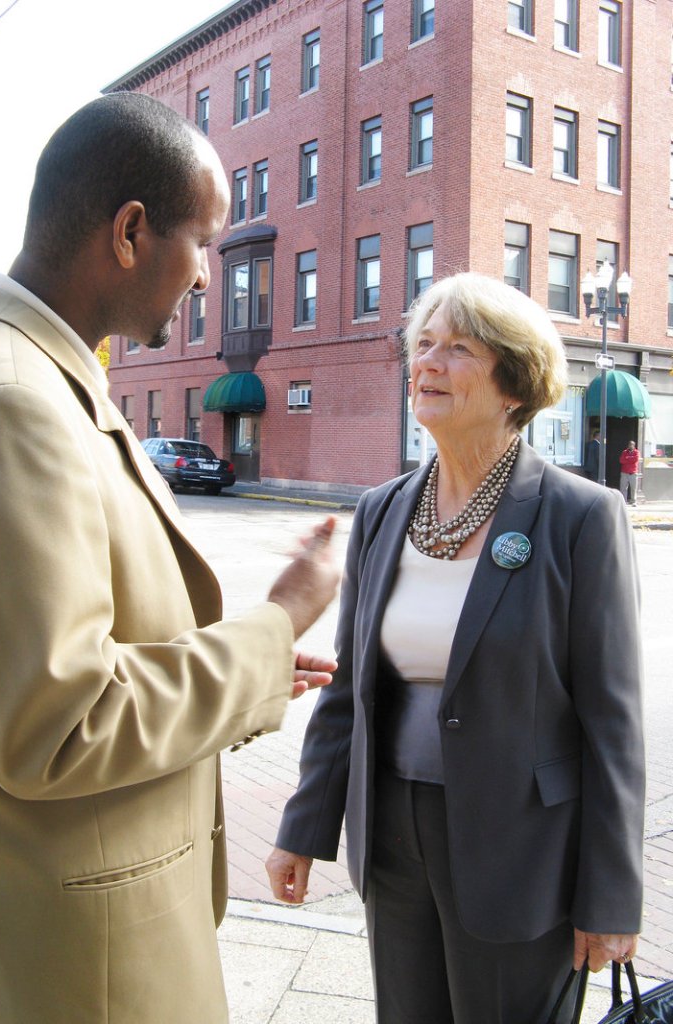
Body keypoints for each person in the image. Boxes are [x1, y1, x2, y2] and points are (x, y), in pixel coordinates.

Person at [0, 94, 340, 1024]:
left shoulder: (29, 381)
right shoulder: (11, 404)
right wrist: (275, 627)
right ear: (132, 232)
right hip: (67, 975)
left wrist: (236, 658)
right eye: (205, 245)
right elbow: (57, 725)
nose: (208, 281)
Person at [267, 273, 645, 1024]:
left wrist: (610, 895)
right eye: (422, 345)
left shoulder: (580, 517)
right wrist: (303, 828)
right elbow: (352, 693)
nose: (428, 363)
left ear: (514, 383)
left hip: (524, 855)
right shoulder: (381, 510)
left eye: (458, 348)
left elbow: (614, 723)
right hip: (393, 842)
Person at [620, 439, 640, 504]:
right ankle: (623, 501)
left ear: (634, 446)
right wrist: (630, 458)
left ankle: (633, 501)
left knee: (633, 488)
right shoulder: (624, 452)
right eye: (629, 445)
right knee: (623, 488)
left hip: (633, 473)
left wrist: (627, 458)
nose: (630, 446)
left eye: (632, 445)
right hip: (624, 473)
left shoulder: (637, 452)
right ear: (628, 445)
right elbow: (621, 460)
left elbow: (635, 459)